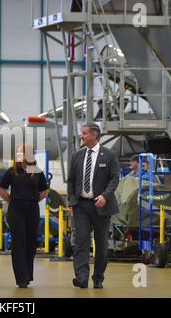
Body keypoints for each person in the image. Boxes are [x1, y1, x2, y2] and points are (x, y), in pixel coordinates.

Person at [67, 122, 119, 289]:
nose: (81, 136)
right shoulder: (77, 156)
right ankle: (82, 278)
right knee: (81, 242)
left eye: (84, 133)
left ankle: (98, 278)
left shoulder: (109, 155)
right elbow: (71, 180)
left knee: (101, 244)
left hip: (101, 205)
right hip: (81, 205)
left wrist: (105, 195)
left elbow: (114, 179)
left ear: (94, 135)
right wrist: (72, 200)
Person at [0, 144, 49, 288]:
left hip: (32, 209)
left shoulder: (36, 171)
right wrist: (11, 200)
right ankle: (21, 278)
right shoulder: (12, 172)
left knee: (30, 242)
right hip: (16, 210)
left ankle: (28, 275)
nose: (19, 154)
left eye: (22, 152)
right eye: (18, 151)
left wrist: (33, 199)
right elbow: (1, 189)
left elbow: (44, 191)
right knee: (19, 242)